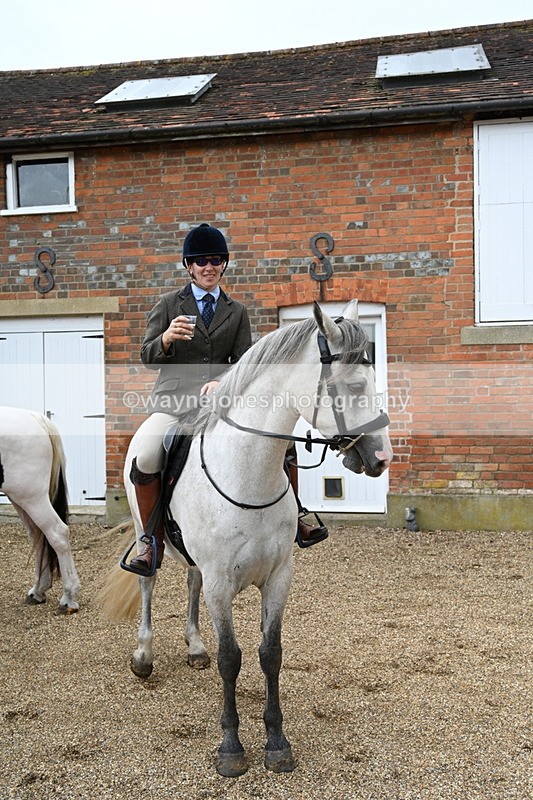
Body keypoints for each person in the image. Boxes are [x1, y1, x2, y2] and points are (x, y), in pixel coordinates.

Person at [128, 223, 327, 576]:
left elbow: (246, 364)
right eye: (201, 260)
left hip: (222, 404)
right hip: (174, 405)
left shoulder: (236, 311)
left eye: (216, 260)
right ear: (189, 265)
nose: (209, 267)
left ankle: (297, 516)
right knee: (146, 452)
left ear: (224, 264)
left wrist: (222, 380)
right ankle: (150, 540)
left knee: (282, 443)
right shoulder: (169, 304)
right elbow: (145, 355)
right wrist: (166, 339)